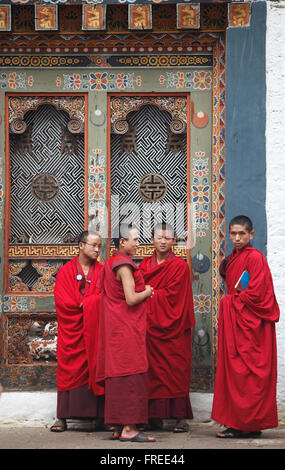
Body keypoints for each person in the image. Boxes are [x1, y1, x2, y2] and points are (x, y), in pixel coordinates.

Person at [211, 215, 280, 438]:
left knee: (249, 376)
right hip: (238, 324)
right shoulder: (233, 258)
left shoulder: (256, 258)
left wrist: (229, 302)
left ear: (251, 234)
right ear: (228, 234)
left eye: (242, 234)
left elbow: (259, 295)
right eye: (233, 233)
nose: (237, 238)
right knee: (236, 375)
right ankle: (239, 423)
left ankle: (249, 425)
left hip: (252, 327)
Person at [95, 223, 156, 442]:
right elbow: (131, 299)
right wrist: (147, 291)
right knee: (131, 374)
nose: (138, 244)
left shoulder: (110, 262)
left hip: (115, 327)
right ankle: (129, 429)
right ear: (122, 242)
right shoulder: (123, 265)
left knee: (117, 374)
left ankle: (118, 426)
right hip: (127, 328)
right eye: (135, 240)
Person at [139, 222, 195, 433]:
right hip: (149, 328)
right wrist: (148, 292)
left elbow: (175, 297)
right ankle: (153, 417)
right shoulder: (144, 265)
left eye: (167, 238)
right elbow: (136, 291)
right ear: (152, 239)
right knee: (151, 371)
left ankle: (180, 417)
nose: (163, 241)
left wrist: (151, 292)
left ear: (174, 241)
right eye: (159, 237)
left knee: (175, 370)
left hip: (174, 327)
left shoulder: (179, 266)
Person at [50, 231, 104, 432]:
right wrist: (87, 304)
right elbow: (62, 302)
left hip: (95, 331)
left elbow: (108, 297)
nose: (97, 250)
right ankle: (62, 417)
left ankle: (100, 416)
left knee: (97, 368)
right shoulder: (65, 271)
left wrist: (88, 304)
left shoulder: (103, 270)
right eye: (93, 245)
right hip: (72, 332)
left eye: (99, 246)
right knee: (68, 370)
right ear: (81, 245)